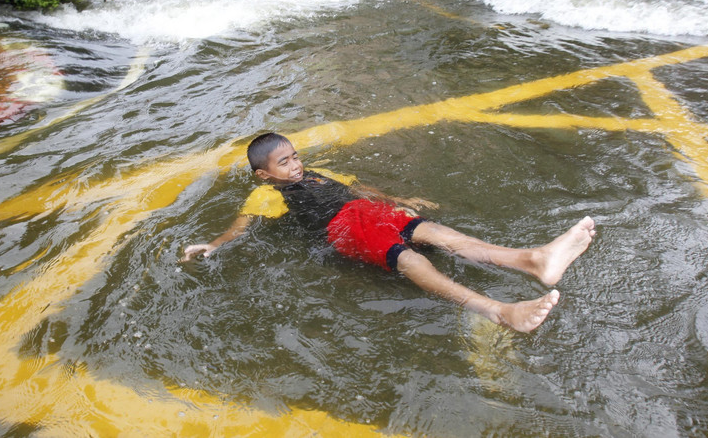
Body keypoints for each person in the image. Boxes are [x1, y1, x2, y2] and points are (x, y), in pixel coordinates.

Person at [181, 133, 597, 333]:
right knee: (409, 257)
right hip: (341, 228)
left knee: (437, 232)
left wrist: (399, 199)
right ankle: (496, 310)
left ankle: (533, 259)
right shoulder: (270, 196)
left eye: (295, 157)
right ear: (263, 174)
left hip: (365, 211)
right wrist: (213, 244)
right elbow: (241, 224)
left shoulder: (319, 174)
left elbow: (359, 188)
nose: (295, 166)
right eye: (284, 163)